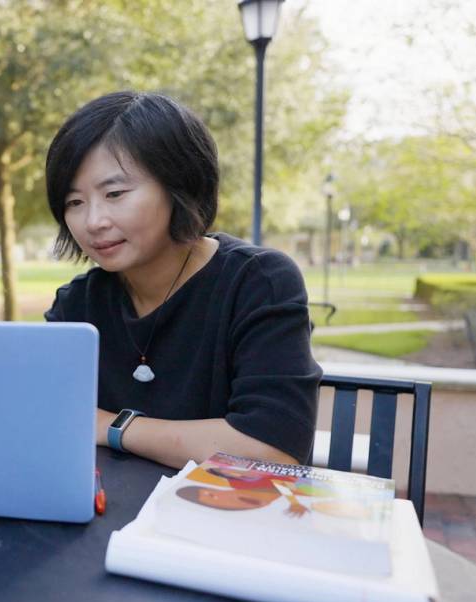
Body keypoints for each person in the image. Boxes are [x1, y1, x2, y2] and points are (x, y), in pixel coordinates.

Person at [44, 91, 320, 469]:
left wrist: (113, 426)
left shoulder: (258, 282)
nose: (93, 221)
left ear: (179, 185)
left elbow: (272, 449)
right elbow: (50, 419)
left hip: (222, 506)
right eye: (74, 202)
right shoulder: (77, 305)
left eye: (115, 193)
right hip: (108, 505)